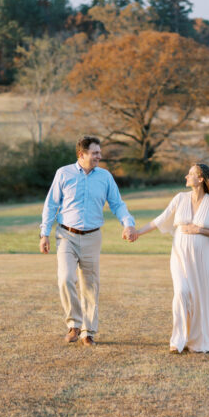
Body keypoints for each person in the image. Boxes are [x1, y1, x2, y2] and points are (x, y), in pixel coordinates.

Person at [40, 136, 136, 346]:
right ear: (81, 155)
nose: (99, 157)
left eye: (99, 153)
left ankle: (88, 331)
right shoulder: (63, 173)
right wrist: (44, 233)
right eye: (95, 153)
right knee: (65, 278)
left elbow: (117, 204)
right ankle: (74, 324)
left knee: (90, 285)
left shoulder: (105, 177)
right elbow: (51, 205)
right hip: (66, 235)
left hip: (93, 237)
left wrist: (127, 223)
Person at [131, 163, 209, 353]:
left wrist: (198, 229)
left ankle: (197, 341)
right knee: (181, 293)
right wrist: (137, 232)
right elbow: (160, 220)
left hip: (201, 259)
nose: (186, 176)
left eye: (191, 174)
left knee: (200, 298)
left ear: (200, 179)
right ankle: (177, 340)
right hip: (179, 257)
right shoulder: (180, 198)